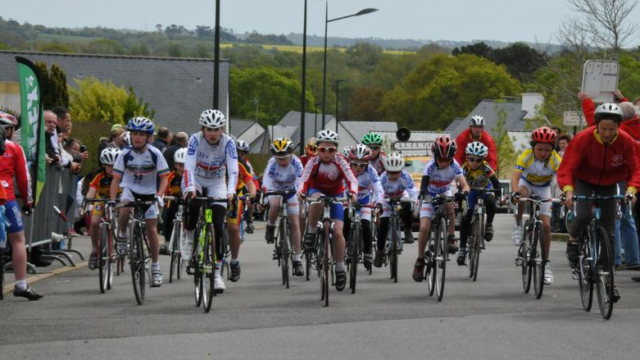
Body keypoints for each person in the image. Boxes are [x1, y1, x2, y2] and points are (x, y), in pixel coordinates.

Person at [559, 103, 640, 299]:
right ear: (596, 125)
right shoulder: (583, 138)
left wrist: (631, 190)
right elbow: (567, 168)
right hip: (584, 179)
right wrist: (568, 191)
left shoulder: (625, 140)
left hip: (609, 182)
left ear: (618, 127)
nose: (607, 133)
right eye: (603, 128)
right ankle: (573, 239)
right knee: (584, 213)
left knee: (610, 231)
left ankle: (609, 280)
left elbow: (636, 168)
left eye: (612, 129)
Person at [182, 109, 238, 293]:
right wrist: (190, 188)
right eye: (209, 129)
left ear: (222, 129)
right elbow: (188, 167)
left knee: (218, 226)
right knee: (193, 202)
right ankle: (189, 238)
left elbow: (233, 169)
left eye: (217, 129)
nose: (213, 133)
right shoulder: (194, 140)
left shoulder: (228, 142)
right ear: (203, 129)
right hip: (196, 178)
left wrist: (231, 192)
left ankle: (216, 273)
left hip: (216, 181)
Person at [110, 116, 169, 288]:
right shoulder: (125, 154)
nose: (137, 137)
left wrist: (159, 195)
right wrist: (113, 201)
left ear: (148, 137)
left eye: (141, 134)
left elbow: (164, 178)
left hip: (149, 192)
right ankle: (122, 237)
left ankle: (156, 267)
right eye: (134, 133)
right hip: (130, 188)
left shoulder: (155, 154)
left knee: (151, 228)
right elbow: (116, 180)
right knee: (125, 206)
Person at [300, 129, 358, 291]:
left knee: (338, 232)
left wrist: (353, 193)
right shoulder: (313, 161)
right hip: (316, 190)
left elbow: (352, 180)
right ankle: (311, 231)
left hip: (336, 194)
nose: (326, 153)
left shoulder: (341, 161)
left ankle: (339, 268)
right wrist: (301, 192)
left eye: (331, 150)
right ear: (317, 149)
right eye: (322, 149)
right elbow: (304, 180)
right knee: (317, 200)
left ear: (336, 150)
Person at [413, 135, 469, 282]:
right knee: (424, 228)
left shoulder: (455, 165)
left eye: (447, 160)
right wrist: (425, 196)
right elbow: (424, 186)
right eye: (441, 159)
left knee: (450, 206)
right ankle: (419, 259)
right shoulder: (430, 166)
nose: (444, 163)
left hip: (444, 191)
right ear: (435, 156)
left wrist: (464, 193)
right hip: (430, 193)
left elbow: (465, 184)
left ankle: (451, 236)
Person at [0, 111, 42, 300]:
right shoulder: (14, 149)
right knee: (17, 240)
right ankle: (21, 284)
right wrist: (28, 202)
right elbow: (24, 179)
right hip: (6, 198)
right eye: (11, 129)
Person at [510, 127, 561, 285]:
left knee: (546, 226)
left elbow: (563, 177)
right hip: (527, 184)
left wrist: (565, 193)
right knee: (521, 194)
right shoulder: (527, 155)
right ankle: (518, 223)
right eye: (539, 149)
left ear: (552, 149)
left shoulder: (555, 159)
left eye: (547, 150)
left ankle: (545, 264)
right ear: (533, 147)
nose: (543, 153)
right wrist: (514, 192)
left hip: (544, 188)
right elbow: (516, 175)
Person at [263, 137, 305, 276]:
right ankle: (270, 225)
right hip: (275, 188)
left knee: (295, 223)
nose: (281, 161)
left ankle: (297, 260)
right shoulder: (272, 163)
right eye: (278, 158)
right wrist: (265, 191)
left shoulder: (297, 162)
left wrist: (300, 193)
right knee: (274, 205)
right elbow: (266, 180)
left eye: (284, 158)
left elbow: (301, 181)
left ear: (291, 155)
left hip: (292, 190)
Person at [457, 141, 501, 266]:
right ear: (467, 158)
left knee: (491, 202)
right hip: (471, 190)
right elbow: (460, 186)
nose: (474, 162)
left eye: (478, 160)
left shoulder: (486, 168)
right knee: (467, 216)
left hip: (485, 189)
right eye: (471, 159)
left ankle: (489, 225)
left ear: (483, 160)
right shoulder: (464, 169)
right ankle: (463, 249)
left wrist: (497, 194)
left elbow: (496, 183)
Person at [374, 152, 417, 268]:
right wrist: (378, 206)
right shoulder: (382, 178)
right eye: (391, 173)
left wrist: (414, 203)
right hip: (386, 200)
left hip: (400, 198)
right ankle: (380, 252)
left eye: (397, 172)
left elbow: (413, 191)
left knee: (408, 205)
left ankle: (407, 230)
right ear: (386, 170)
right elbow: (377, 192)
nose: (393, 175)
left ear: (401, 170)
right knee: (383, 225)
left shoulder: (405, 176)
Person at [345, 144, 383, 270]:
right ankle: (344, 246)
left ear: (367, 163)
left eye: (362, 165)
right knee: (345, 220)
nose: (358, 168)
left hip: (364, 200)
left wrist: (379, 203)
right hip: (348, 199)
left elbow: (378, 189)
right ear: (350, 162)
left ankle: (367, 253)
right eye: (355, 164)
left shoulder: (371, 171)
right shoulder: (345, 169)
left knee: (366, 224)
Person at [85, 148, 121, 269]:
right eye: (109, 165)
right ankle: (95, 250)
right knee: (94, 222)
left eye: (115, 165)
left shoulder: (122, 176)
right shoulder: (99, 176)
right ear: (103, 165)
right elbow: (92, 190)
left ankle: (122, 238)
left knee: (126, 214)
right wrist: (88, 200)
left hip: (118, 199)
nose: (112, 168)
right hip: (102, 199)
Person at [226, 140, 256, 283]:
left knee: (233, 228)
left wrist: (252, 195)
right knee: (206, 219)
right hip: (215, 196)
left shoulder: (240, 163)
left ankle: (234, 261)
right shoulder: (211, 159)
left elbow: (250, 181)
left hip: (234, 196)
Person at [162, 148, 186, 250]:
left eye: (184, 165)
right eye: (180, 165)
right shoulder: (171, 176)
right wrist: (162, 197)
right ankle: (167, 240)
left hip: (189, 200)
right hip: (175, 200)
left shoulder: (193, 175)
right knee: (168, 213)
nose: (182, 168)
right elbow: (165, 190)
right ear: (176, 165)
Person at [236, 139, 259, 234]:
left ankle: (249, 220)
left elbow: (252, 179)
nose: (240, 156)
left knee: (250, 199)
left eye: (243, 154)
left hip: (241, 185)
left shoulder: (246, 164)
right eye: (238, 153)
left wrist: (255, 191)